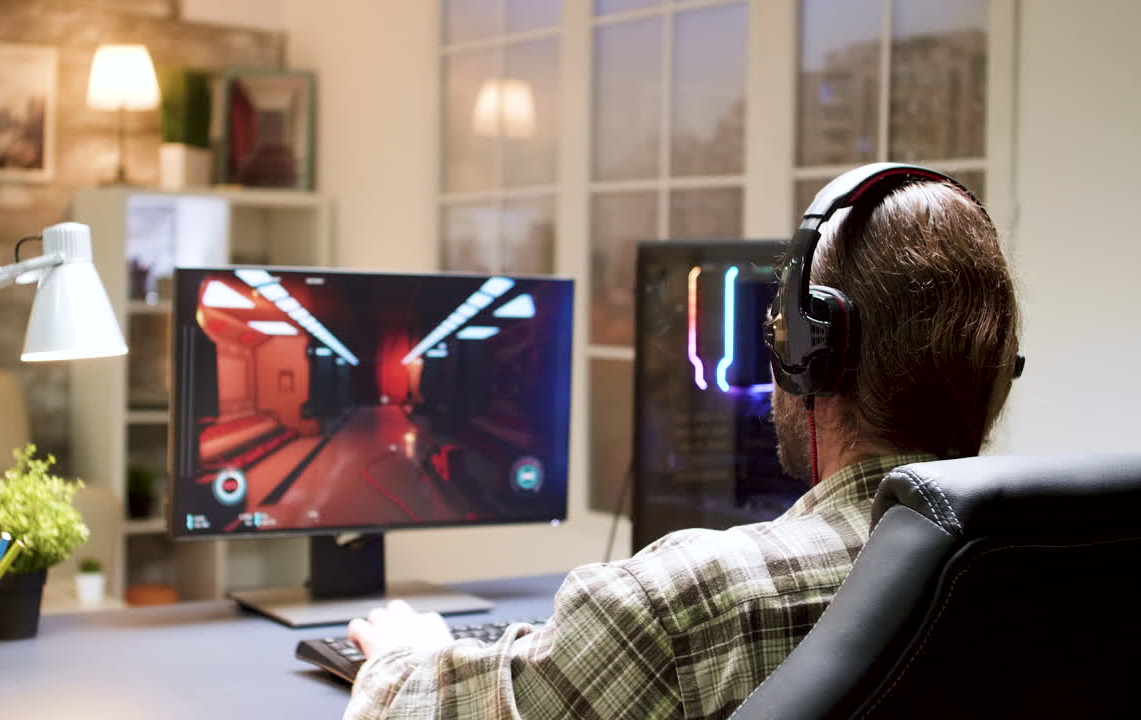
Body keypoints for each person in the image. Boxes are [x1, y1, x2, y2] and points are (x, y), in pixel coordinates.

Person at [342, 172, 1021, 720]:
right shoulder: (1069, 571)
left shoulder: (689, 601)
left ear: (807, 355)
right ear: (998, 373)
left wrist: (402, 659)